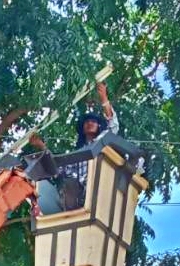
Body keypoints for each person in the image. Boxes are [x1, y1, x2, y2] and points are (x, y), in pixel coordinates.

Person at [35, 82, 121, 214]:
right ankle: (70, 212)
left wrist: (103, 98)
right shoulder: (77, 154)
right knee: (68, 182)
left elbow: (112, 125)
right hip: (78, 197)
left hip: (98, 189)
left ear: (99, 126)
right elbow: (58, 168)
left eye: (93, 122)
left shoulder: (103, 142)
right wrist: (41, 145)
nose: (90, 123)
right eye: (87, 122)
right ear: (82, 128)